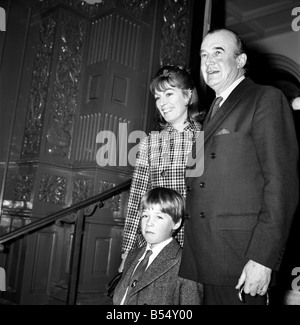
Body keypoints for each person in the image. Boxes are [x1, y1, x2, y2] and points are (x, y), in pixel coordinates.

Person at [179, 28, 299, 305]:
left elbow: (281, 184)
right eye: (203, 55)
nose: (208, 62)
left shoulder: (265, 98)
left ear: (241, 60)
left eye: (218, 53)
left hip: (241, 260)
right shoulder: (211, 112)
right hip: (203, 258)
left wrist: (262, 258)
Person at [119, 65, 202, 272]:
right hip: (157, 245)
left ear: (187, 95)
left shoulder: (204, 137)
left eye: (168, 94)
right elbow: (138, 199)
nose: (162, 103)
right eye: (157, 97)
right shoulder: (150, 143)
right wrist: (127, 252)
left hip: (196, 244)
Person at [113, 187, 203, 305]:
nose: (149, 223)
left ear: (176, 223)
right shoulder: (132, 255)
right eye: (145, 216)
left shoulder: (186, 265)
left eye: (159, 217)